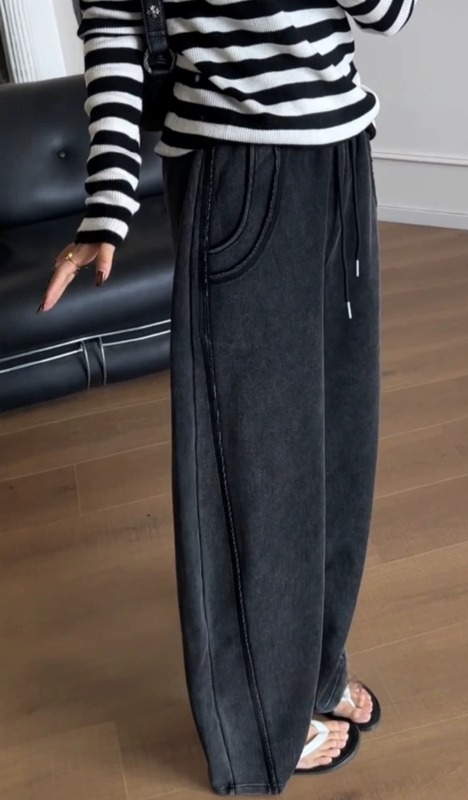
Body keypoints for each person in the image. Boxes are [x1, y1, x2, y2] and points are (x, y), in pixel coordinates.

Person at [39, 0, 418, 794]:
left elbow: (393, 13)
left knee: (340, 444)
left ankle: (313, 670)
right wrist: (108, 205)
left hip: (342, 154)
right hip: (240, 172)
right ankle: (259, 727)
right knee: (256, 468)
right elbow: (113, 35)